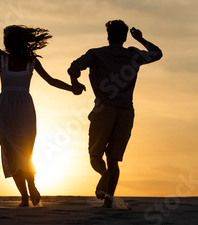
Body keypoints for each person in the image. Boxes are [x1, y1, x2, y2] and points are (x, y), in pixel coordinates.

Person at [0, 0, 85, 207]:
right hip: (21, 108)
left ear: (10, 43)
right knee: (19, 152)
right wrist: (72, 89)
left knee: (16, 152)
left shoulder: (6, 59)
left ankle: (26, 196)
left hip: (10, 108)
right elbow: (51, 81)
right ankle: (28, 192)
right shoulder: (22, 61)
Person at [68, 20, 163, 207]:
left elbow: (73, 67)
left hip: (104, 110)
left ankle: (103, 176)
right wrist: (141, 39)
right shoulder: (134, 54)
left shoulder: (96, 54)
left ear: (108, 36)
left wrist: (75, 84)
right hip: (126, 111)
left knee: (96, 156)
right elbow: (158, 53)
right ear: (126, 37)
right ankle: (108, 200)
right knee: (113, 159)